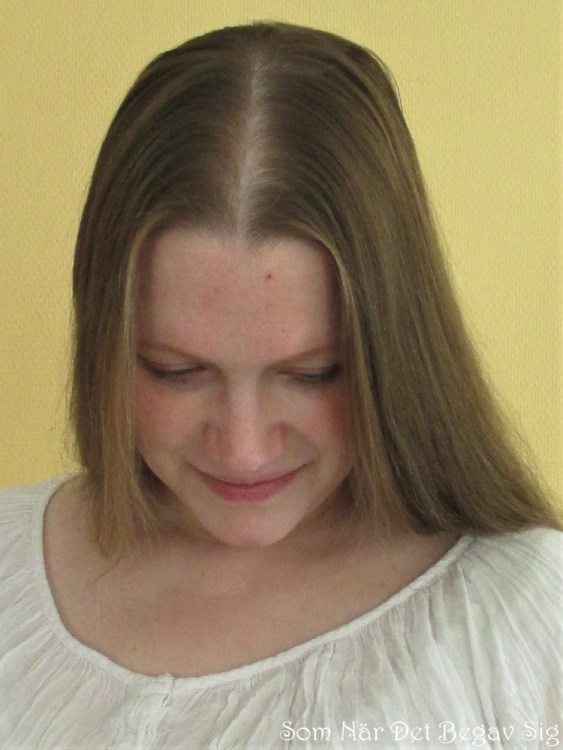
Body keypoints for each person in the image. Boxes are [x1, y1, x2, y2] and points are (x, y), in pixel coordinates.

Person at [0, 21, 561, 750]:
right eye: (175, 371)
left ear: (397, 354)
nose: (243, 448)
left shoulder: (526, 625)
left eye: (310, 374)